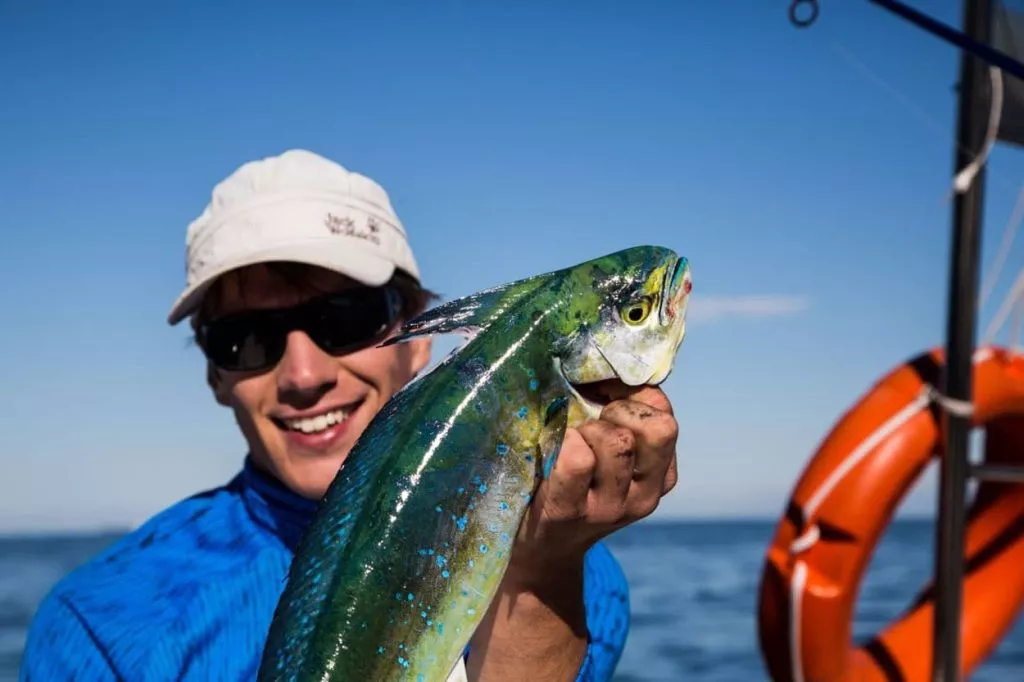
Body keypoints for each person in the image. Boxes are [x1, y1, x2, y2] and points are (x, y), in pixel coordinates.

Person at [19, 149, 680, 682]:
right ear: (214, 372)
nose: (304, 376)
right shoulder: (97, 630)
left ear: (421, 336)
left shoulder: (581, 577)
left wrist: (540, 584)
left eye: (345, 320)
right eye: (244, 339)